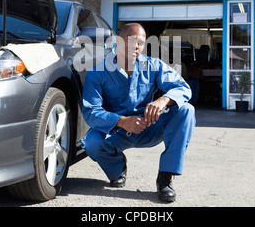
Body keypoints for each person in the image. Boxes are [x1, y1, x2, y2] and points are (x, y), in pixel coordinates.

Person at [81, 23, 196, 202]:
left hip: (149, 127)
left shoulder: (153, 65)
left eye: (141, 43)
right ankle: (117, 167)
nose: (137, 46)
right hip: (115, 131)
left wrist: (163, 99)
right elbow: (90, 112)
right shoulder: (97, 72)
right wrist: (121, 121)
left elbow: (182, 88)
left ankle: (165, 176)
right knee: (91, 143)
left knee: (186, 110)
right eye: (132, 40)